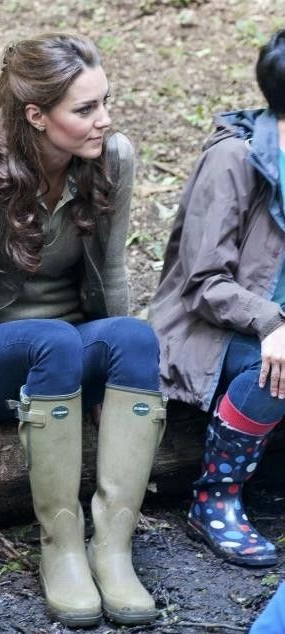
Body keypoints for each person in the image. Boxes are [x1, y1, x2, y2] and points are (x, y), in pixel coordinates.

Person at [0, 33, 166, 627]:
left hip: (68, 350)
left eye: (106, 102)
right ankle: (61, 546)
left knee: (135, 337)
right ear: (36, 115)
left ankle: (112, 546)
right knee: (52, 341)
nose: (104, 120)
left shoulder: (114, 157)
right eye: (85, 110)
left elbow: (109, 272)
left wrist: (112, 381)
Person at [149, 29, 285, 568]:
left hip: (272, 327)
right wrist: (273, 323)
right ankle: (214, 500)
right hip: (207, 329)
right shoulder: (235, 158)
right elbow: (203, 283)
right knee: (275, 368)